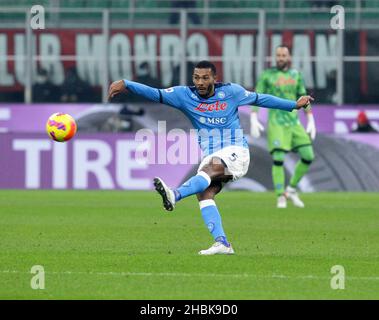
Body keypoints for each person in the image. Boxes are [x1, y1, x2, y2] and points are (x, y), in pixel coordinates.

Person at [108, 60, 313, 255]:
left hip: (236, 152)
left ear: (214, 78)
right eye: (196, 78)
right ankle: (222, 243)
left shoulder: (231, 92)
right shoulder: (184, 95)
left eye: (205, 78)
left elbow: (261, 99)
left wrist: (293, 105)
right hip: (212, 154)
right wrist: (127, 84)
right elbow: (155, 93)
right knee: (204, 194)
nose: (200, 83)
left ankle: (175, 195)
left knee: (208, 171)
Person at [250, 45, 316, 209]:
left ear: (289, 57)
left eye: (283, 55)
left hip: (294, 123)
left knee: (308, 155)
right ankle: (280, 196)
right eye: (278, 55)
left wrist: (310, 119)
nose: (280, 58)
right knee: (278, 159)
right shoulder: (268, 75)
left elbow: (303, 97)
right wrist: (253, 117)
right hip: (277, 123)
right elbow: (256, 96)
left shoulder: (296, 75)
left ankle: (291, 189)